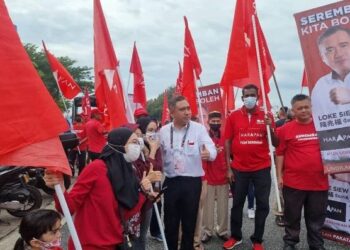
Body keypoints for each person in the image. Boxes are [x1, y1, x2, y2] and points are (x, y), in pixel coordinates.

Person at [44, 127, 159, 250]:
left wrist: (144, 193)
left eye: (138, 143)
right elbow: (69, 208)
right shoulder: (96, 168)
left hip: (115, 243)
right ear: (119, 143)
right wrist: (59, 189)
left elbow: (126, 212)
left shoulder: (130, 172)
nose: (137, 147)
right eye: (134, 142)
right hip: (89, 245)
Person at [223, 84, 278, 250]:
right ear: (242, 98)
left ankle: (257, 240)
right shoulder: (233, 116)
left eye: (252, 95)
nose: (249, 98)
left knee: (262, 204)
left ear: (258, 97)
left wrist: (270, 127)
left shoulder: (267, 115)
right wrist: (228, 167)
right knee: (238, 203)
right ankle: (235, 236)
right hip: (239, 168)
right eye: (246, 95)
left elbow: (276, 143)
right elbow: (227, 141)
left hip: (261, 168)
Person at [159, 95, 217, 250]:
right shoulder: (163, 131)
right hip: (171, 182)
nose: (187, 112)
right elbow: (159, 156)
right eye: (182, 109)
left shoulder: (198, 129)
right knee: (170, 222)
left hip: (192, 183)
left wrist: (209, 154)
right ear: (172, 113)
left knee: (189, 222)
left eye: (188, 108)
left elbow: (211, 148)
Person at [276, 94, 329, 250]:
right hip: (293, 182)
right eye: (300, 108)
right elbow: (280, 153)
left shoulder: (322, 126)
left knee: (316, 218)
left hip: (319, 182)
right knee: (292, 217)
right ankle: (290, 242)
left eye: (307, 107)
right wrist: (280, 176)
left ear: (311, 107)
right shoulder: (285, 129)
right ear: (293, 110)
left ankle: (316, 244)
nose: (304, 110)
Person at [201, 111, 230, 243]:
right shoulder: (204, 137)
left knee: (223, 206)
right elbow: (202, 158)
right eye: (213, 122)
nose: (216, 124)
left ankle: (222, 230)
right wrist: (204, 178)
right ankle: (207, 231)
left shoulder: (225, 136)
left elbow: (230, 155)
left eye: (218, 122)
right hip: (209, 177)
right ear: (208, 122)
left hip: (223, 176)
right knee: (207, 207)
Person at [312, 25, 350, 120]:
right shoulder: (320, 86)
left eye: (343, 45)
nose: (339, 54)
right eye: (330, 50)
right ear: (323, 58)